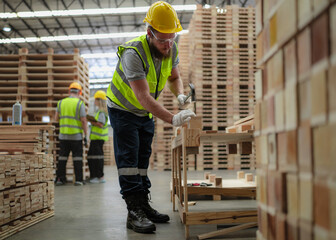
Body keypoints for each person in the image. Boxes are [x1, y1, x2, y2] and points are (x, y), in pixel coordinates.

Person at [106, 1, 196, 234]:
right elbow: (143, 96)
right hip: (123, 109)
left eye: (172, 39)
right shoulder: (133, 53)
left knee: (143, 157)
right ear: (149, 33)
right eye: (163, 40)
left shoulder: (170, 48)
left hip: (144, 112)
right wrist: (172, 118)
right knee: (129, 159)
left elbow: (174, 77)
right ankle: (133, 210)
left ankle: (143, 204)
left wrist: (181, 95)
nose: (168, 45)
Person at [55, 82, 88, 186]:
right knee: (77, 158)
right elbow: (83, 120)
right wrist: (86, 135)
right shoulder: (79, 103)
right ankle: (78, 180)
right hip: (76, 136)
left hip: (63, 136)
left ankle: (60, 179)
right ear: (80, 92)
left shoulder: (60, 102)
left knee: (62, 158)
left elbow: (56, 119)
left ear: (69, 91)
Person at [87, 90, 109, 184]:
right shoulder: (99, 112)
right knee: (91, 157)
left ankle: (99, 176)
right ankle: (94, 176)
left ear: (99, 100)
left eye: (96, 99)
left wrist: (91, 121)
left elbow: (100, 124)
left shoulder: (102, 112)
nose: (94, 101)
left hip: (98, 139)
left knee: (97, 158)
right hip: (95, 139)